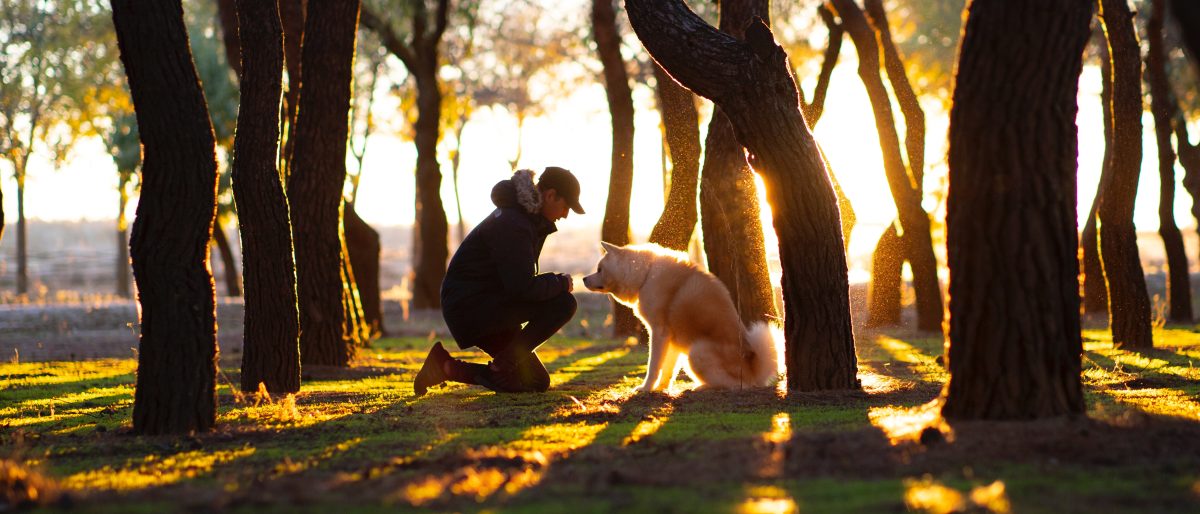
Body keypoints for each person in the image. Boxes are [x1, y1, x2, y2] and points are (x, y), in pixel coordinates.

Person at [413, 167, 584, 395]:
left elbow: (517, 282)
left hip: (485, 305)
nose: (565, 215)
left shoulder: (524, 220)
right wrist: (560, 283)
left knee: (535, 382)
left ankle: (444, 366)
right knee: (563, 303)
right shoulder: (514, 223)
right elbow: (522, 287)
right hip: (472, 307)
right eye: (566, 207)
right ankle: (501, 367)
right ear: (551, 195)